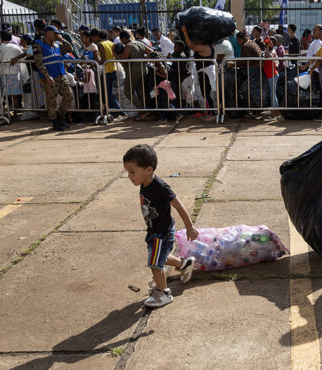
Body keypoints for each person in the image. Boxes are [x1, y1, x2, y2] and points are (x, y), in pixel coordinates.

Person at [122, 144, 198, 308]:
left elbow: (178, 205)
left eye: (132, 172)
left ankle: (163, 293)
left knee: (155, 263)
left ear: (148, 169)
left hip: (162, 232)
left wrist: (190, 227)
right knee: (159, 257)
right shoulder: (144, 182)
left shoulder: (160, 187)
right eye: (128, 172)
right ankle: (185, 264)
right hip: (154, 230)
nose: (129, 176)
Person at [33, 25, 74, 131]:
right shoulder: (38, 44)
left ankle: (60, 116)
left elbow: (70, 49)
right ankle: (54, 121)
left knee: (68, 95)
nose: (56, 35)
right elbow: (39, 62)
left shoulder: (57, 44)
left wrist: (62, 39)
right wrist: (47, 76)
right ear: (47, 33)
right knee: (51, 100)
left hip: (60, 74)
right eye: (54, 33)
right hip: (49, 76)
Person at [116, 30, 155, 120]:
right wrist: (146, 60)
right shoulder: (139, 43)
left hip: (133, 71)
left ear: (124, 39)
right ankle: (147, 110)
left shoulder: (128, 47)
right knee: (140, 92)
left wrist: (115, 54)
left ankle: (143, 110)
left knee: (128, 92)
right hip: (143, 70)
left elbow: (123, 60)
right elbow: (151, 51)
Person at [0, 30, 24, 119]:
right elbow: (23, 56)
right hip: (15, 73)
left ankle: (4, 111)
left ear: (1, 38)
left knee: (4, 93)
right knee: (15, 93)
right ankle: (15, 112)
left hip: (2, 72)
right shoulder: (15, 47)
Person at [262, 37, 280, 119]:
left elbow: (267, 56)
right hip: (271, 75)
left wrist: (267, 47)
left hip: (272, 75)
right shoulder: (270, 51)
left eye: (267, 44)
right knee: (273, 94)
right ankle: (277, 114)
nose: (265, 45)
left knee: (272, 95)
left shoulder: (271, 52)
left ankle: (274, 115)